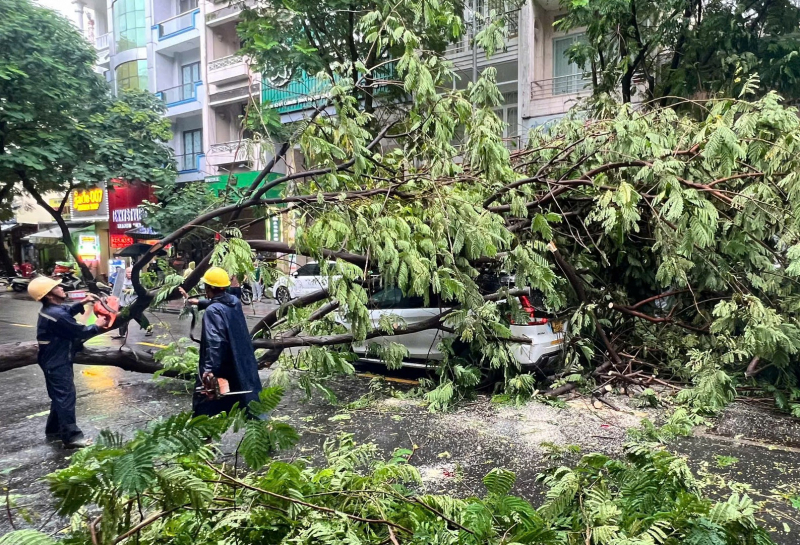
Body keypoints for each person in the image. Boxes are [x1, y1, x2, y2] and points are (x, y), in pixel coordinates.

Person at [29, 277, 109, 449]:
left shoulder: (52, 310)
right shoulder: (56, 315)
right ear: (49, 295)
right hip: (56, 361)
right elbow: (79, 332)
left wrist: (83, 303)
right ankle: (72, 438)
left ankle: (53, 429)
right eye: (57, 287)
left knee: (59, 395)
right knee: (65, 396)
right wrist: (97, 325)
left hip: (52, 359)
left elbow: (66, 311)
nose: (61, 287)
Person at [179, 267, 262, 418]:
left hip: (220, 369)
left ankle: (203, 437)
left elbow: (215, 343)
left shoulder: (213, 312)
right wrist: (198, 302)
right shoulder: (235, 302)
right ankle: (265, 436)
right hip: (238, 366)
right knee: (250, 406)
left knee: (203, 408)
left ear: (208, 287)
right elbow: (222, 303)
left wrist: (209, 371)